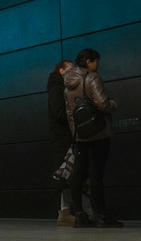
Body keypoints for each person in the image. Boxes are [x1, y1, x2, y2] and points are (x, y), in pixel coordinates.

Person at [63, 48, 122, 227]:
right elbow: (103, 104)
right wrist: (113, 104)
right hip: (98, 133)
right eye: (96, 61)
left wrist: (76, 133)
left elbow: (69, 113)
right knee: (96, 175)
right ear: (88, 61)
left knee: (78, 174)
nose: (98, 65)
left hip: (80, 135)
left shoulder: (68, 84)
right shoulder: (92, 78)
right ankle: (102, 216)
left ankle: (80, 215)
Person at [47, 59, 76, 226]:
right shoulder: (57, 89)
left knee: (69, 174)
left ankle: (67, 212)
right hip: (64, 137)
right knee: (68, 174)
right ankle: (65, 212)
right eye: (70, 69)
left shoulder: (59, 87)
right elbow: (59, 112)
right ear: (61, 71)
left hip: (65, 137)